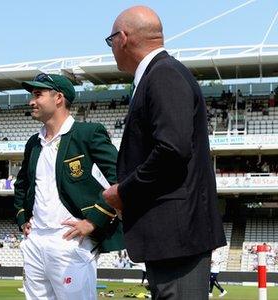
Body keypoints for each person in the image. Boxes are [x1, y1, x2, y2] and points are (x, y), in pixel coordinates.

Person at [102, 6, 226, 299]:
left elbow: (172, 150)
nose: (112, 50)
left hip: (178, 236)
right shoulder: (159, 74)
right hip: (172, 238)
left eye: (110, 42)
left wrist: (125, 192)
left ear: (123, 38)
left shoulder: (163, 75)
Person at [14, 73, 124, 299]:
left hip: (71, 240)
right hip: (35, 241)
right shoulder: (33, 143)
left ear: (58, 98)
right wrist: (22, 218)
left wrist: (93, 221)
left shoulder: (88, 133)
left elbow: (121, 181)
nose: (31, 101)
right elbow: (22, 184)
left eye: (38, 94)